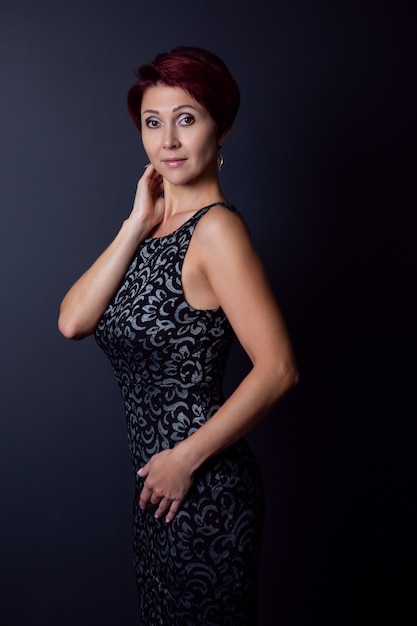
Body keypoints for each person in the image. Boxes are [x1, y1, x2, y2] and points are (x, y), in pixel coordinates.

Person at [58, 46, 299, 626]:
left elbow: (279, 369)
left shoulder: (217, 231)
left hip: (204, 489)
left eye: (186, 119)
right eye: (153, 122)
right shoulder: (154, 229)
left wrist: (184, 460)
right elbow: (73, 321)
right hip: (160, 494)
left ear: (222, 129)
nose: (167, 141)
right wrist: (135, 223)